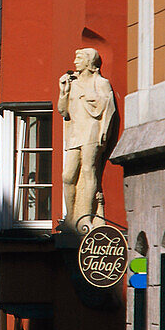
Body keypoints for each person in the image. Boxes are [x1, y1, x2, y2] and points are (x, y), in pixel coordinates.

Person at [58, 48, 116, 231]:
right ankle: (70, 216)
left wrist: (104, 131)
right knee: (67, 176)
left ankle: (84, 217)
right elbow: (63, 111)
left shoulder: (100, 82)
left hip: (91, 131)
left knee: (89, 171)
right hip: (75, 132)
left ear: (89, 62)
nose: (75, 62)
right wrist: (63, 91)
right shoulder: (72, 84)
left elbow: (110, 108)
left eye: (79, 58)